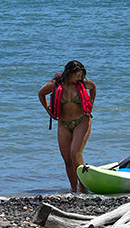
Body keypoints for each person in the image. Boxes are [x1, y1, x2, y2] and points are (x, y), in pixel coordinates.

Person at [38, 60, 96, 193]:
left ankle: (83, 186)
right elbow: (41, 94)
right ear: (69, 73)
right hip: (63, 124)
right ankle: (73, 189)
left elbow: (93, 88)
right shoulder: (55, 85)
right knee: (67, 159)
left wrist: (90, 104)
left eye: (81, 75)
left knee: (75, 153)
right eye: (77, 75)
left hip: (81, 121)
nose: (80, 78)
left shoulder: (84, 83)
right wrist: (49, 111)